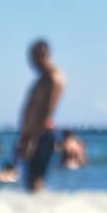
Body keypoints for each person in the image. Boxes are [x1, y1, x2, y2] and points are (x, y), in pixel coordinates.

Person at [14, 39, 64, 192]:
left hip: (41, 135)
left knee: (35, 181)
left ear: (43, 55)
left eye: (33, 57)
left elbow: (46, 113)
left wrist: (33, 139)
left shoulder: (52, 79)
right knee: (29, 180)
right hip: (33, 135)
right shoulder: (41, 79)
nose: (31, 63)